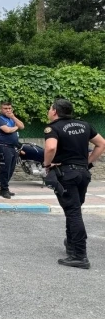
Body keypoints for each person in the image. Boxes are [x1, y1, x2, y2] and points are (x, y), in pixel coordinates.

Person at [43, 98, 105, 269]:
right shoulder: (84, 125)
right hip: (83, 173)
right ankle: (71, 245)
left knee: (73, 212)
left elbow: (50, 148)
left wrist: (46, 166)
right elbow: (102, 144)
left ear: (55, 111)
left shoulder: (53, 128)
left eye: (50, 108)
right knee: (74, 209)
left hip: (67, 175)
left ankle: (79, 255)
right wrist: (88, 162)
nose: (49, 111)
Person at [0, 101, 25, 199]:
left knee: (10, 170)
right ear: (1, 109)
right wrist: (16, 127)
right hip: (3, 146)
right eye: (5, 108)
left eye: (9, 108)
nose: (8, 110)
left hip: (13, 148)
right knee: (5, 169)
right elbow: (7, 130)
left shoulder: (11, 119)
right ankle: (3, 190)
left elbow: (22, 126)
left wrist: (13, 117)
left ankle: (4, 189)